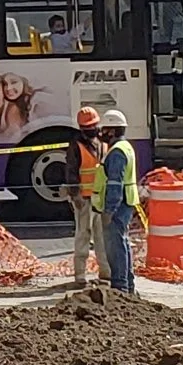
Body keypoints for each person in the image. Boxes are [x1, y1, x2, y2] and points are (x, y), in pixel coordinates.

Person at [97, 108, 142, 294]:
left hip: (119, 204)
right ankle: (127, 286)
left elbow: (115, 183)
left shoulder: (116, 153)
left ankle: (120, 287)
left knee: (116, 246)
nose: (102, 133)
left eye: (105, 129)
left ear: (113, 131)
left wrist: (109, 211)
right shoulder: (126, 147)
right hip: (126, 201)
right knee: (122, 243)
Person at [68, 106, 106, 285]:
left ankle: (106, 273)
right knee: (83, 235)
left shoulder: (103, 143)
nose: (92, 130)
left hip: (100, 197)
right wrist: (75, 196)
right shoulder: (76, 146)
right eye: (88, 127)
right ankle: (80, 276)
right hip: (84, 198)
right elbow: (71, 173)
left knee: (102, 237)